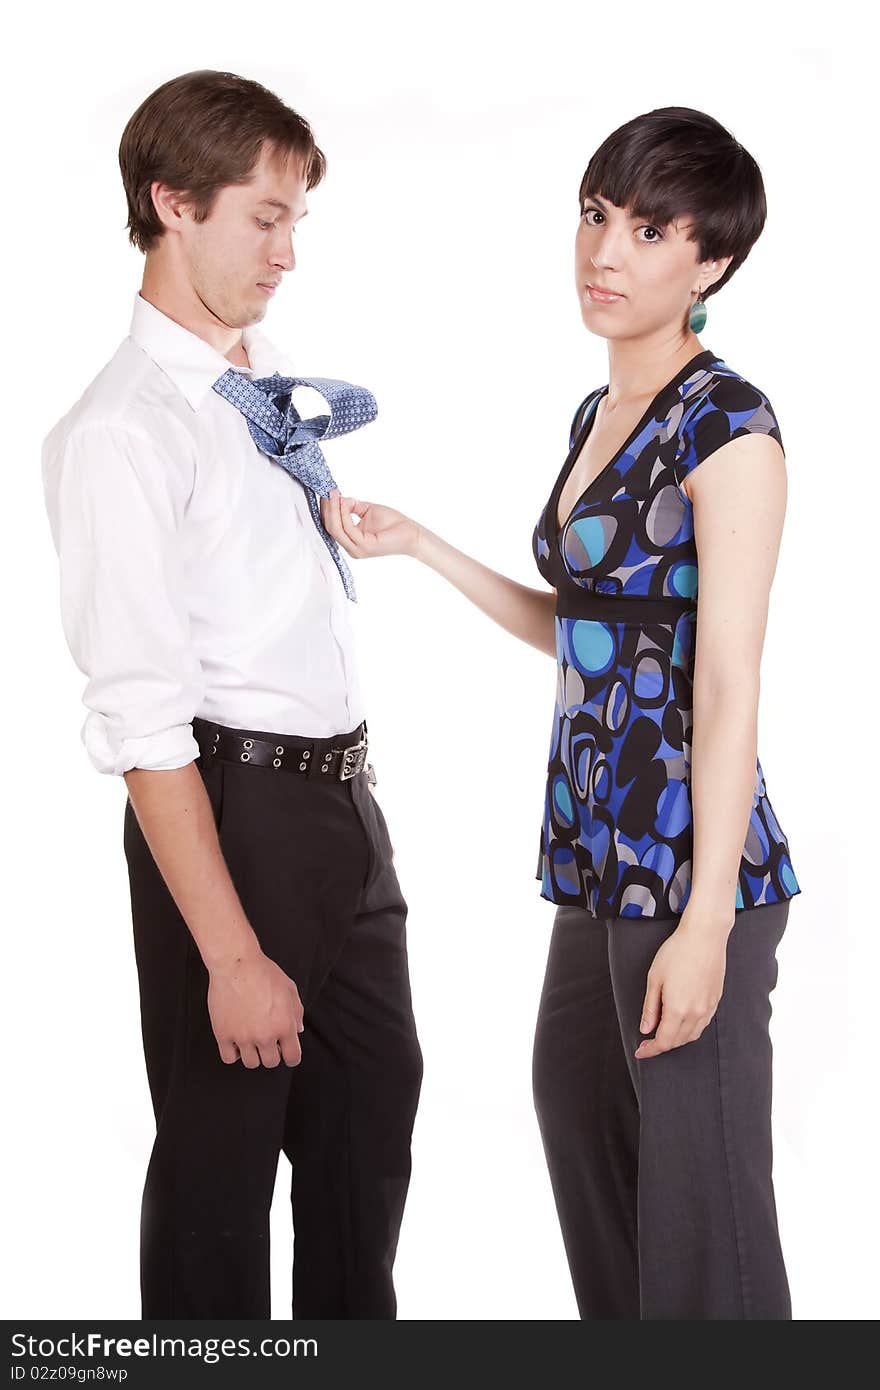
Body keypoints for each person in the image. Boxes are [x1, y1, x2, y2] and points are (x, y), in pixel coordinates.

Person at [318, 106, 801, 1320]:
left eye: (647, 228)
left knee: (703, 1210)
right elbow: (585, 626)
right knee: (584, 1136)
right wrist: (422, 545)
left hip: (691, 865)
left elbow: (728, 675)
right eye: (595, 214)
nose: (604, 251)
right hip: (594, 856)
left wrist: (703, 921)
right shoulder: (594, 421)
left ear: (712, 265)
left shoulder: (727, 425)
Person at [40, 69, 423, 1320]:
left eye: (298, 219)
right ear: (170, 204)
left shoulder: (251, 377)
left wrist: (326, 518)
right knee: (219, 1174)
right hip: (229, 810)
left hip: (342, 810)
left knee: (366, 1146)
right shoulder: (121, 429)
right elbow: (141, 717)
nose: (288, 251)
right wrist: (230, 950)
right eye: (265, 217)